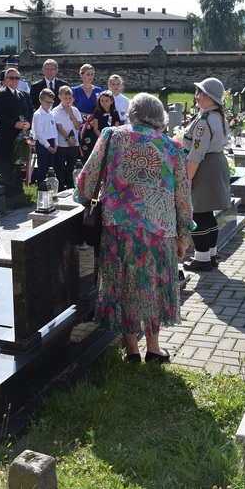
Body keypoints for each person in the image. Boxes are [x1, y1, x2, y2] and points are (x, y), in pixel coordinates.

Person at [76, 93, 193, 363]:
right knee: (152, 285)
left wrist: (84, 200)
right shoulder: (172, 147)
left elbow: (88, 178)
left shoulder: (111, 135)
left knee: (123, 282)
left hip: (118, 224)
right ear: (160, 117)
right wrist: (183, 235)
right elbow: (183, 198)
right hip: (160, 227)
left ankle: (132, 351)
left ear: (131, 113)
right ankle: (154, 349)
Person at [182, 78, 231, 272]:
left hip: (204, 165)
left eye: (199, 92)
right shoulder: (218, 116)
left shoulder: (204, 121)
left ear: (208, 97)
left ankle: (201, 259)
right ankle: (210, 255)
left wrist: (188, 177)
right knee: (208, 213)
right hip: (215, 163)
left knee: (199, 212)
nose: (197, 96)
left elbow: (197, 151)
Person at [0, 67, 33, 196]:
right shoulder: (1, 94)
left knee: (21, 163)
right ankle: (9, 192)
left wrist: (28, 123)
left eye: (17, 78)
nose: (14, 80)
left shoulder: (24, 94)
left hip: (23, 135)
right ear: (6, 80)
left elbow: (31, 111)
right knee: (8, 164)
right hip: (9, 136)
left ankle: (19, 188)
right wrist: (14, 124)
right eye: (11, 78)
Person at [52, 86, 82, 189]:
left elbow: (78, 126)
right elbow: (59, 127)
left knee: (72, 166)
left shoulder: (75, 110)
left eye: (69, 98)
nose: (68, 101)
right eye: (65, 98)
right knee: (60, 166)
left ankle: (71, 185)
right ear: (60, 97)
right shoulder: (56, 111)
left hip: (74, 143)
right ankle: (60, 186)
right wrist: (68, 138)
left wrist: (70, 113)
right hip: (62, 143)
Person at [30, 88, 58, 186]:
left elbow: (54, 130)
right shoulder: (38, 115)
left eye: (51, 102)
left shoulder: (51, 113)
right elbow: (39, 133)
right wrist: (47, 146)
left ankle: (51, 187)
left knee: (51, 167)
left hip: (52, 141)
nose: (49, 104)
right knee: (43, 167)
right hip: (43, 143)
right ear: (41, 100)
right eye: (47, 102)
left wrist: (56, 144)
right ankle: (41, 187)